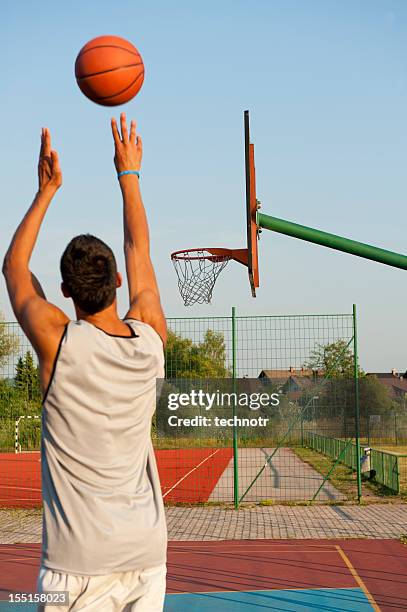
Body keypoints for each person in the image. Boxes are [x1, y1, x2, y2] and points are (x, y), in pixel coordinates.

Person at [2, 113, 167, 611]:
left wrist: (47, 190)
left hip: (76, 563)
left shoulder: (58, 343)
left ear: (64, 292)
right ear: (119, 283)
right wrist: (129, 173)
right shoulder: (150, 339)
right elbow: (139, 247)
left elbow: (13, 266)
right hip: (145, 554)